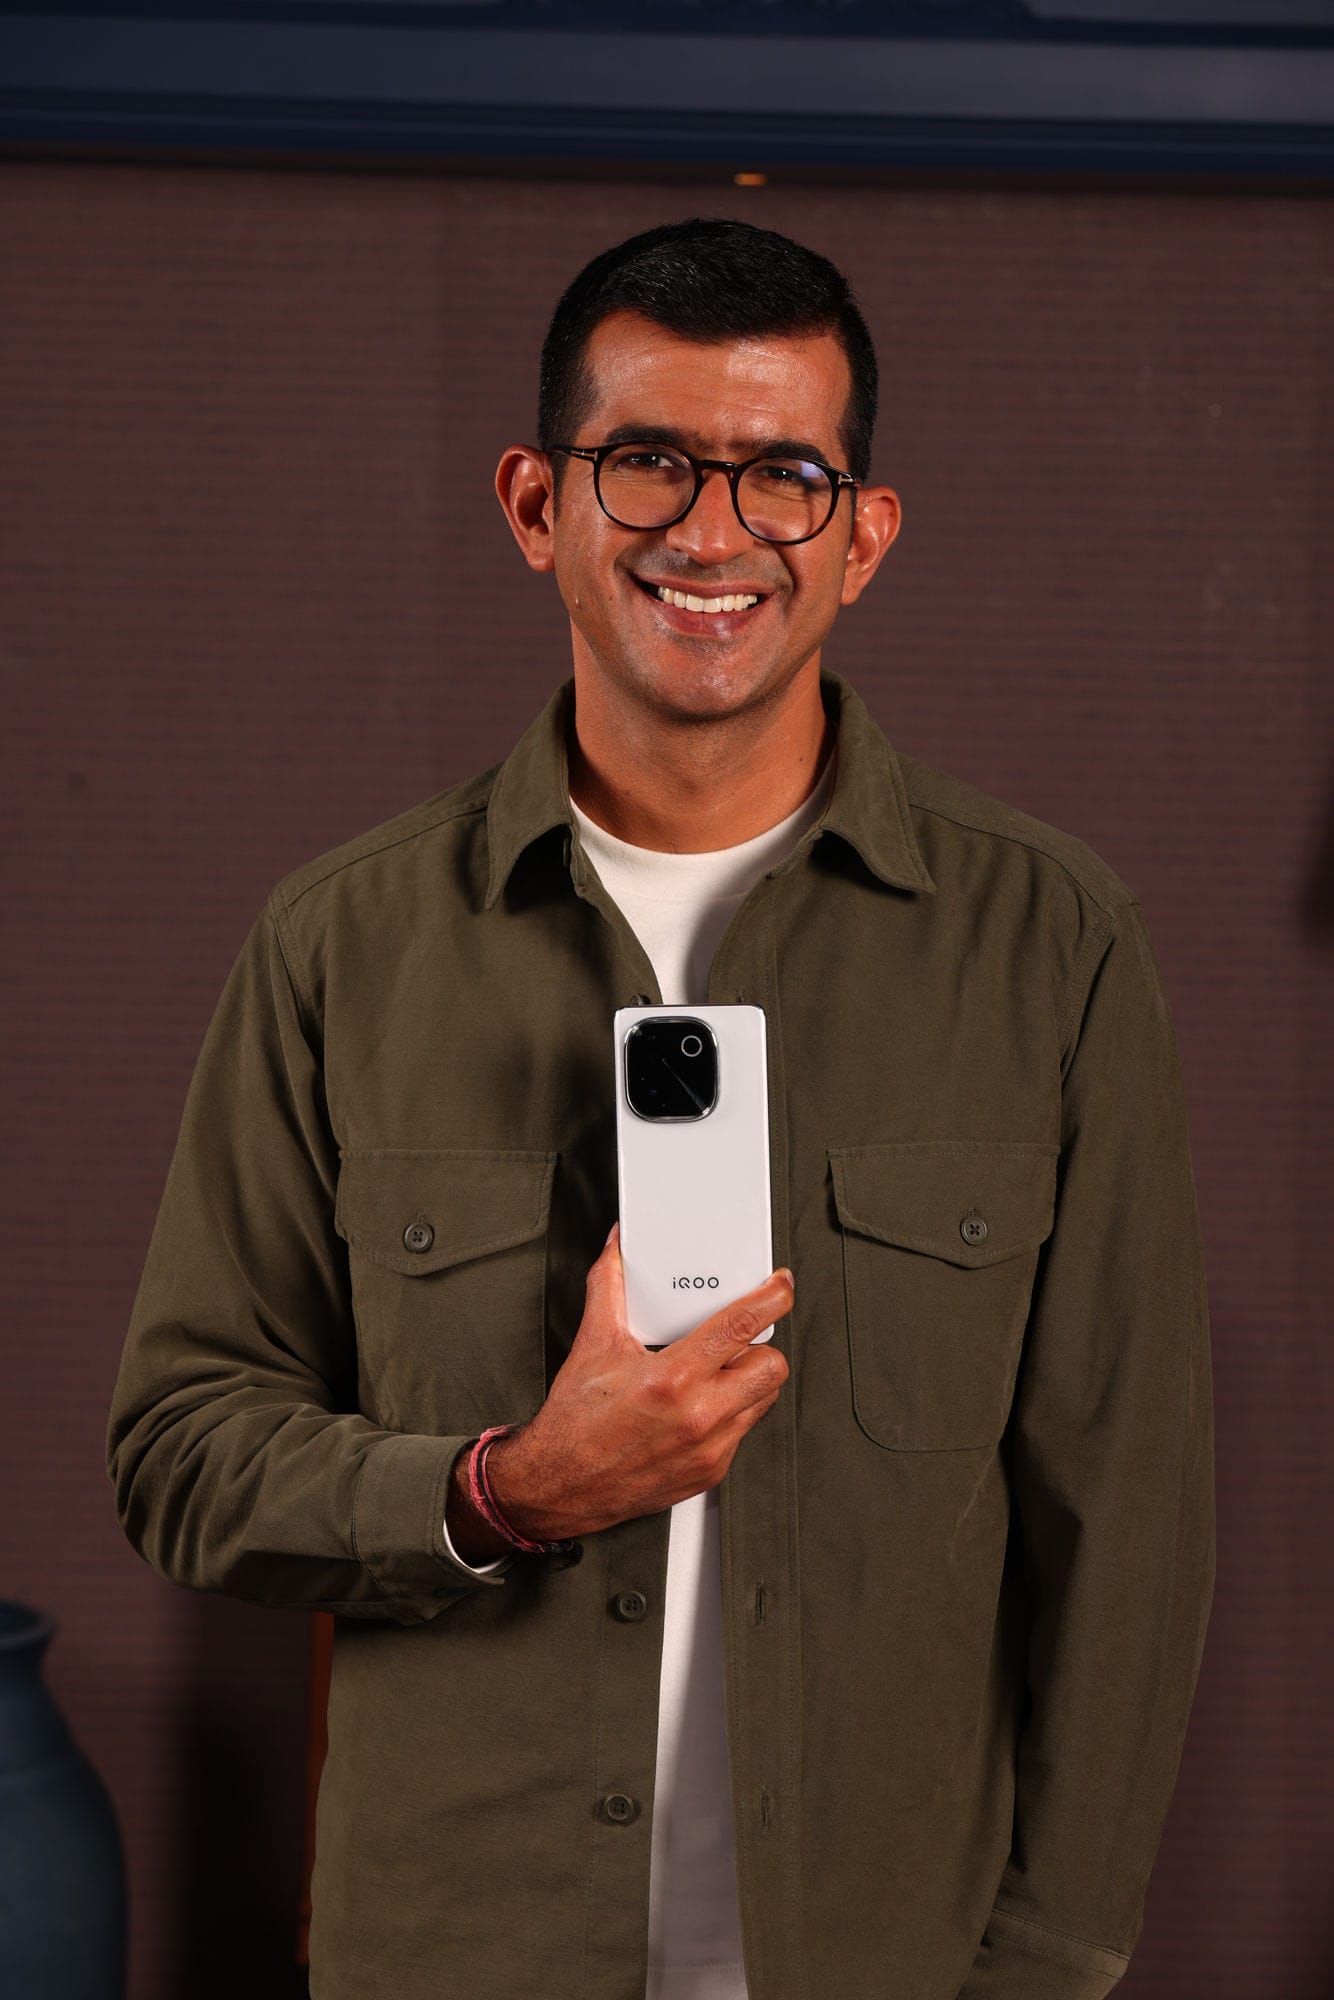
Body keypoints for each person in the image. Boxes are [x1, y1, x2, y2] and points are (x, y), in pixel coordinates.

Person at [107, 218, 1215, 2000]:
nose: (711, 534)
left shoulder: (1050, 943)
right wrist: (503, 1491)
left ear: (861, 536)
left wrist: (1051, 1962)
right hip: (457, 1952)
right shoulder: (341, 946)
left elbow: (1128, 1522)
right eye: (647, 464)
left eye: (784, 477)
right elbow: (179, 1452)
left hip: (890, 1955)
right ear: (535, 505)